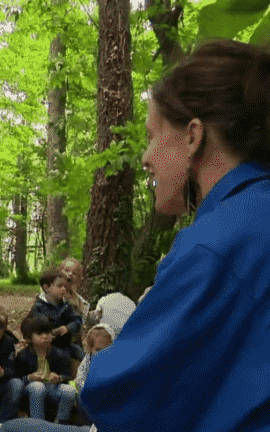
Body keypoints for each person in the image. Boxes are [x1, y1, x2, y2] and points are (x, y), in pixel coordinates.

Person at [82, 39, 270, 432]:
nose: (146, 156)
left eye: (153, 134)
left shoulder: (218, 242)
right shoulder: (255, 213)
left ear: (192, 136)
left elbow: (118, 397)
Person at [15, 314, 75, 424]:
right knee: (38, 386)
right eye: (39, 334)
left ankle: (60, 423)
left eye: (47, 333)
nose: (45, 336)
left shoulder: (60, 354)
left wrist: (59, 378)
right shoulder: (23, 356)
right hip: (31, 390)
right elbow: (16, 379)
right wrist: (29, 377)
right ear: (29, 338)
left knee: (69, 391)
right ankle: (38, 424)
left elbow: (68, 375)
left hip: (52, 387)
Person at [30, 269, 83, 364]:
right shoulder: (38, 307)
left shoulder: (67, 305)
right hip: (47, 346)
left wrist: (68, 327)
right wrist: (51, 332)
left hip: (66, 343)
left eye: (64, 286)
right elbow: (33, 328)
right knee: (62, 358)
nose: (63, 289)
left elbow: (77, 319)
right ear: (46, 288)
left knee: (82, 355)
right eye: (59, 286)